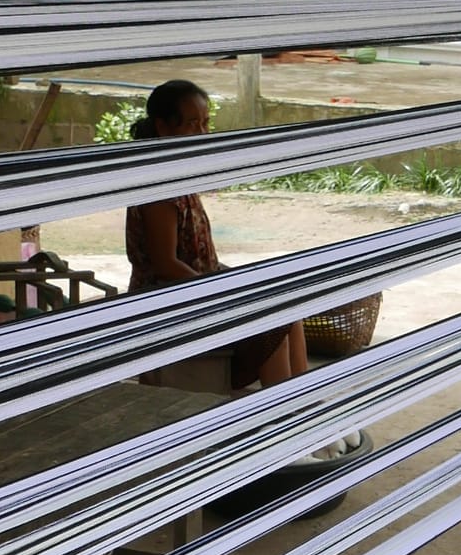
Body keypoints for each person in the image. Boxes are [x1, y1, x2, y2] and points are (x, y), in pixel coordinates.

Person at [125, 78, 364, 451]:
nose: (203, 132)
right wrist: (223, 293)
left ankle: (306, 407)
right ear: (163, 127)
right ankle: (282, 427)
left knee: (288, 303)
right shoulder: (159, 189)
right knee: (270, 324)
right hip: (171, 303)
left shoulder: (179, 175)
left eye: (206, 123)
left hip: (199, 288)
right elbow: (165, 264)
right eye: (192, 124)